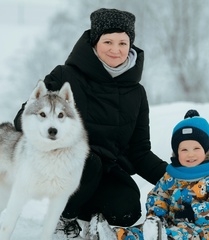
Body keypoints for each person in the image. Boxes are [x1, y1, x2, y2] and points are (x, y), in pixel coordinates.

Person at [13, 8, 168, 238]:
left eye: (123, 43)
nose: (116, 50)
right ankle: (61, 219)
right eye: (108, 41)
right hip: (60, 168)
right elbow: (22, 120)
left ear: (131, 46)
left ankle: (92, 221)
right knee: (88, 161)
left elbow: (140, 152)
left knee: (127, 207)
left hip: (103, 173)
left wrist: (177, 177)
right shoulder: (65, 76)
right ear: (95, 43)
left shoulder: (136, 93)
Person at [92, 110, 209, 240]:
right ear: (177, 152)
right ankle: (112, 236)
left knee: (182, 235)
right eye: (184, 149)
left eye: (196, 148)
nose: (190, 154)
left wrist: (194, 212)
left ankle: (160, 237)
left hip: (204, 228)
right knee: (141, 231)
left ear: (206, 150)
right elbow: (159, 194)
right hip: (169, 223)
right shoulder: (173, 175)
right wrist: (157, 214)